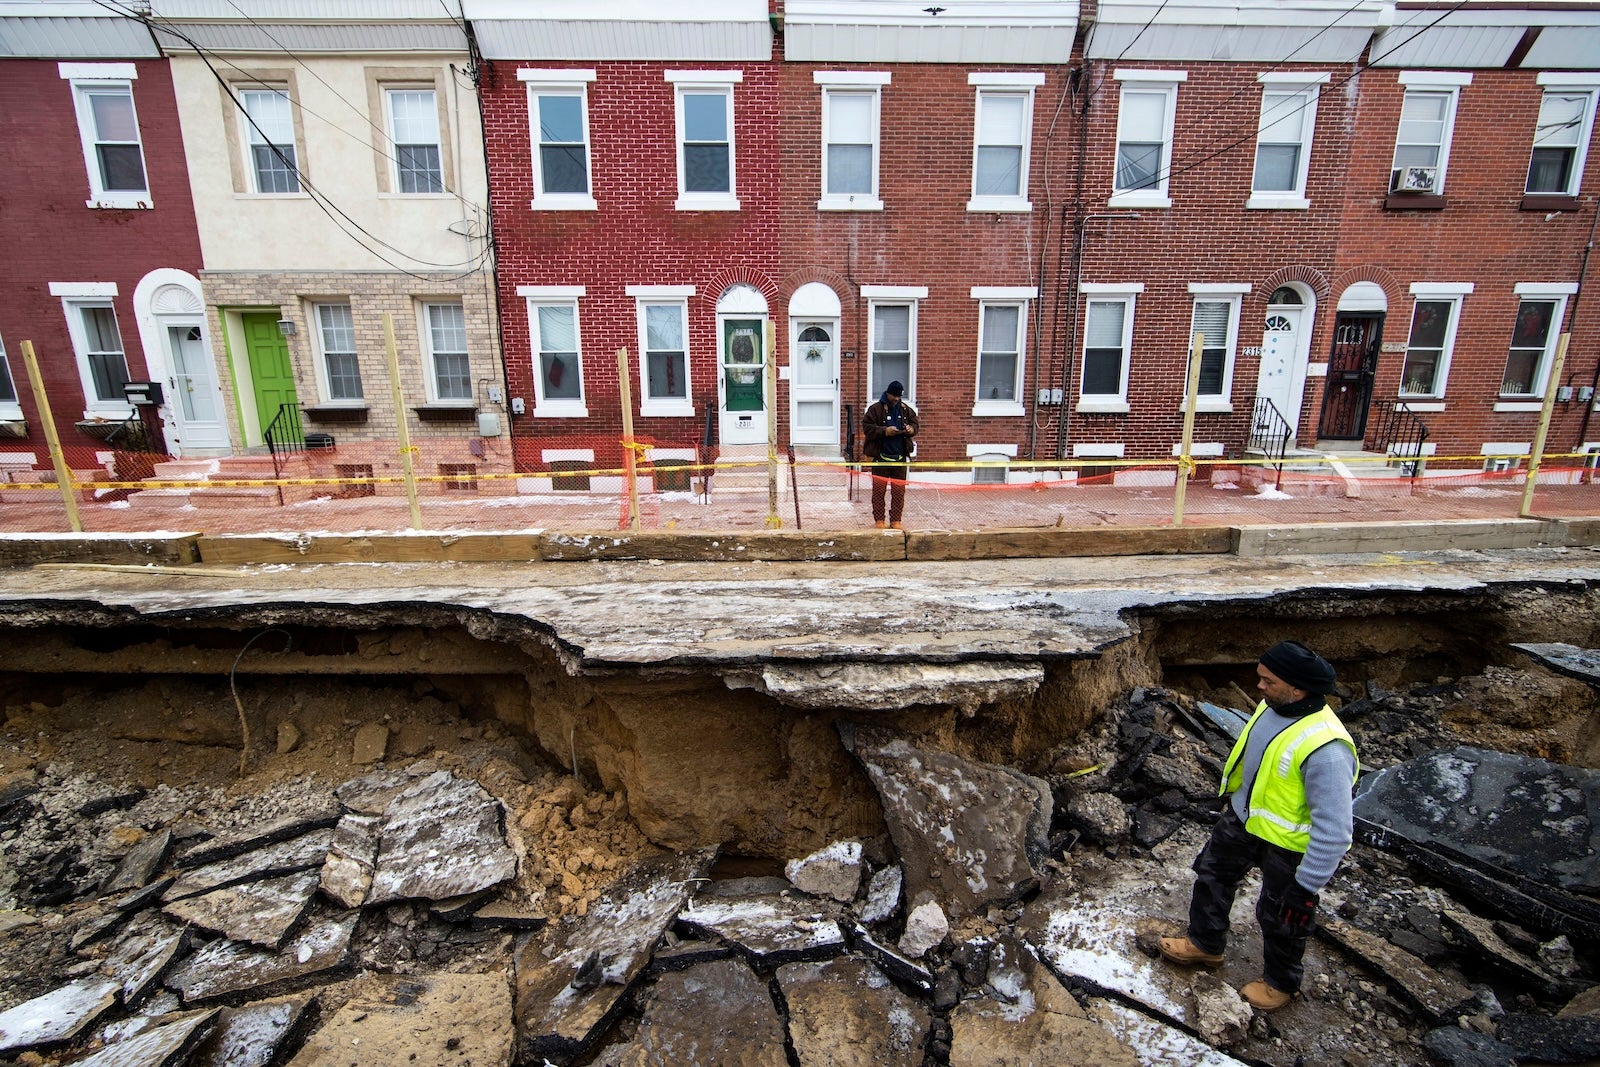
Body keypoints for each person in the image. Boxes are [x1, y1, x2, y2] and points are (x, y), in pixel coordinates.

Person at [1157, 640, 1358, 1012]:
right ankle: (1205, 944)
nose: (1259, 687)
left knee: (1282, 914)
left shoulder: (1327, 749)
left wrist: (1307, 886)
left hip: (1288, 845)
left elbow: (1335, 830)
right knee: (1211, 877)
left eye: (1269, 681)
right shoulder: (1272, 706)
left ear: (1298, 689)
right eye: (1260, 677)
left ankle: (1281, 982)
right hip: (1243, 820)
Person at [862, 380, 918, 529]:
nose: (896, 399)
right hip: (880, 458)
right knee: (878, 492)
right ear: (888, 393)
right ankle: (879, 520)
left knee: (899, 492)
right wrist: (885, 431)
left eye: (899, 397)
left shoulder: (905, 410)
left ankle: (896, 520)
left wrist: (911, 429)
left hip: (900, 459)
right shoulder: (875, 409)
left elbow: (915, 424)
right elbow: (867, 428)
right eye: (894, 396)